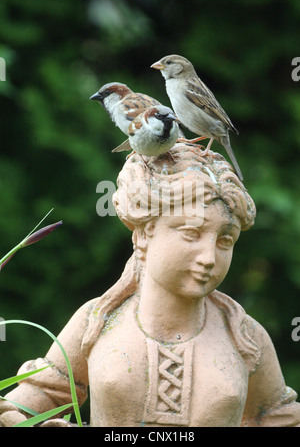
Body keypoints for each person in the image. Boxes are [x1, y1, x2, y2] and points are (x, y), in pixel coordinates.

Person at [1, 144, 299, 427]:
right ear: (145, 233)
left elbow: (279, 417)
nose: (209, 257)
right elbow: (29, 405)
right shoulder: (97, 322)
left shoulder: (244, 336)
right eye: (191, 233)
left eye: (225, 240)